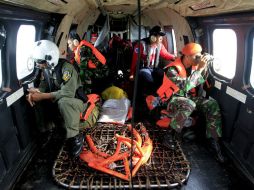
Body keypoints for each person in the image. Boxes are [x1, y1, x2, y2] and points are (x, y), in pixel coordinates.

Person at [155, 42, 225, 163]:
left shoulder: (194, 66)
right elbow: (184, 86)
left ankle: (213, 140)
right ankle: (169, 136)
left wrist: (205, 66)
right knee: (190, 104)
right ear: (187, 56)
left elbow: (202, 81)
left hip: (188, 98)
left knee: (211, 105)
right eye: (196, 57)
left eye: (200, 56)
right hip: (173, 99)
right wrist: (200, 69)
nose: (199, 59)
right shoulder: (172, 69)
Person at [26, 40, 87, 158]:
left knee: (64, 102)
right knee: (36, 99)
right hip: (61, 100)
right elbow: (44, 86)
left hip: (75, 102)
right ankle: (47, 131)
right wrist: (37, 92)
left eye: (39, 62)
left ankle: (75, 137)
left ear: (50, 59)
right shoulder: (47, 69)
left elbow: (68, 93)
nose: (37, 65)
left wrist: (42, 96)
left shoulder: (66, 68)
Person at [129, 25, 175, 95]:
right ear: (152, 37)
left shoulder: (160, 45)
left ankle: (160, 96)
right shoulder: (141, 45)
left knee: (164, 77)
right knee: (150, 81)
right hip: (143, 69)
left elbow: (165, 54)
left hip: (154, 68)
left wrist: (175, 58)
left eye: (161, 36)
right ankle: (147, 97)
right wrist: (132, 73)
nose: (161, 38)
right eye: (159, 36)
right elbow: (134, 60)